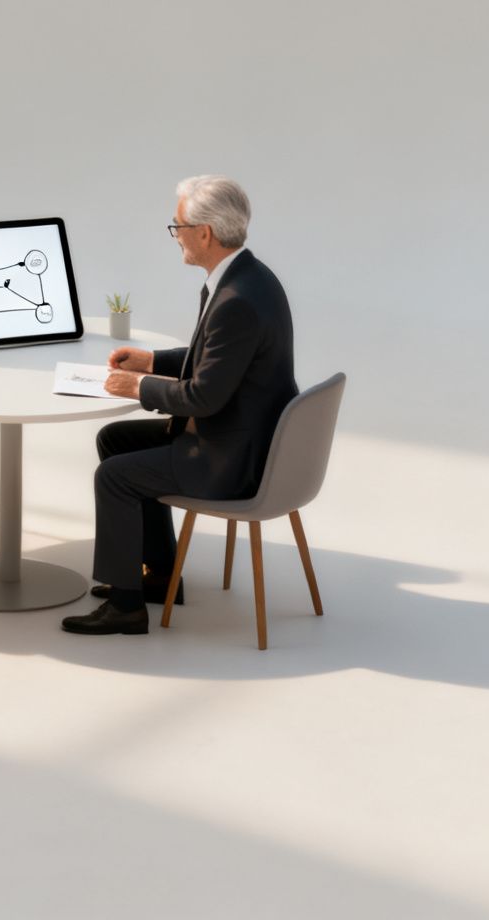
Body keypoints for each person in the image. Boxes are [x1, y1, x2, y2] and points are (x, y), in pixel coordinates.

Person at [63, 175, 297, 636]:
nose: (177, 236)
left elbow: (204, 398)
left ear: (205, 233)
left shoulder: (237, 301)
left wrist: (138, 386)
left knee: (115, 476)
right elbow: (215, 364)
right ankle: (161, 574)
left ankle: (127, 606)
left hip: (229, 458)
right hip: (243, 435)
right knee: (116, 439)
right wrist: (152, 361)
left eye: (179, 226)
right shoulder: (247, 278)